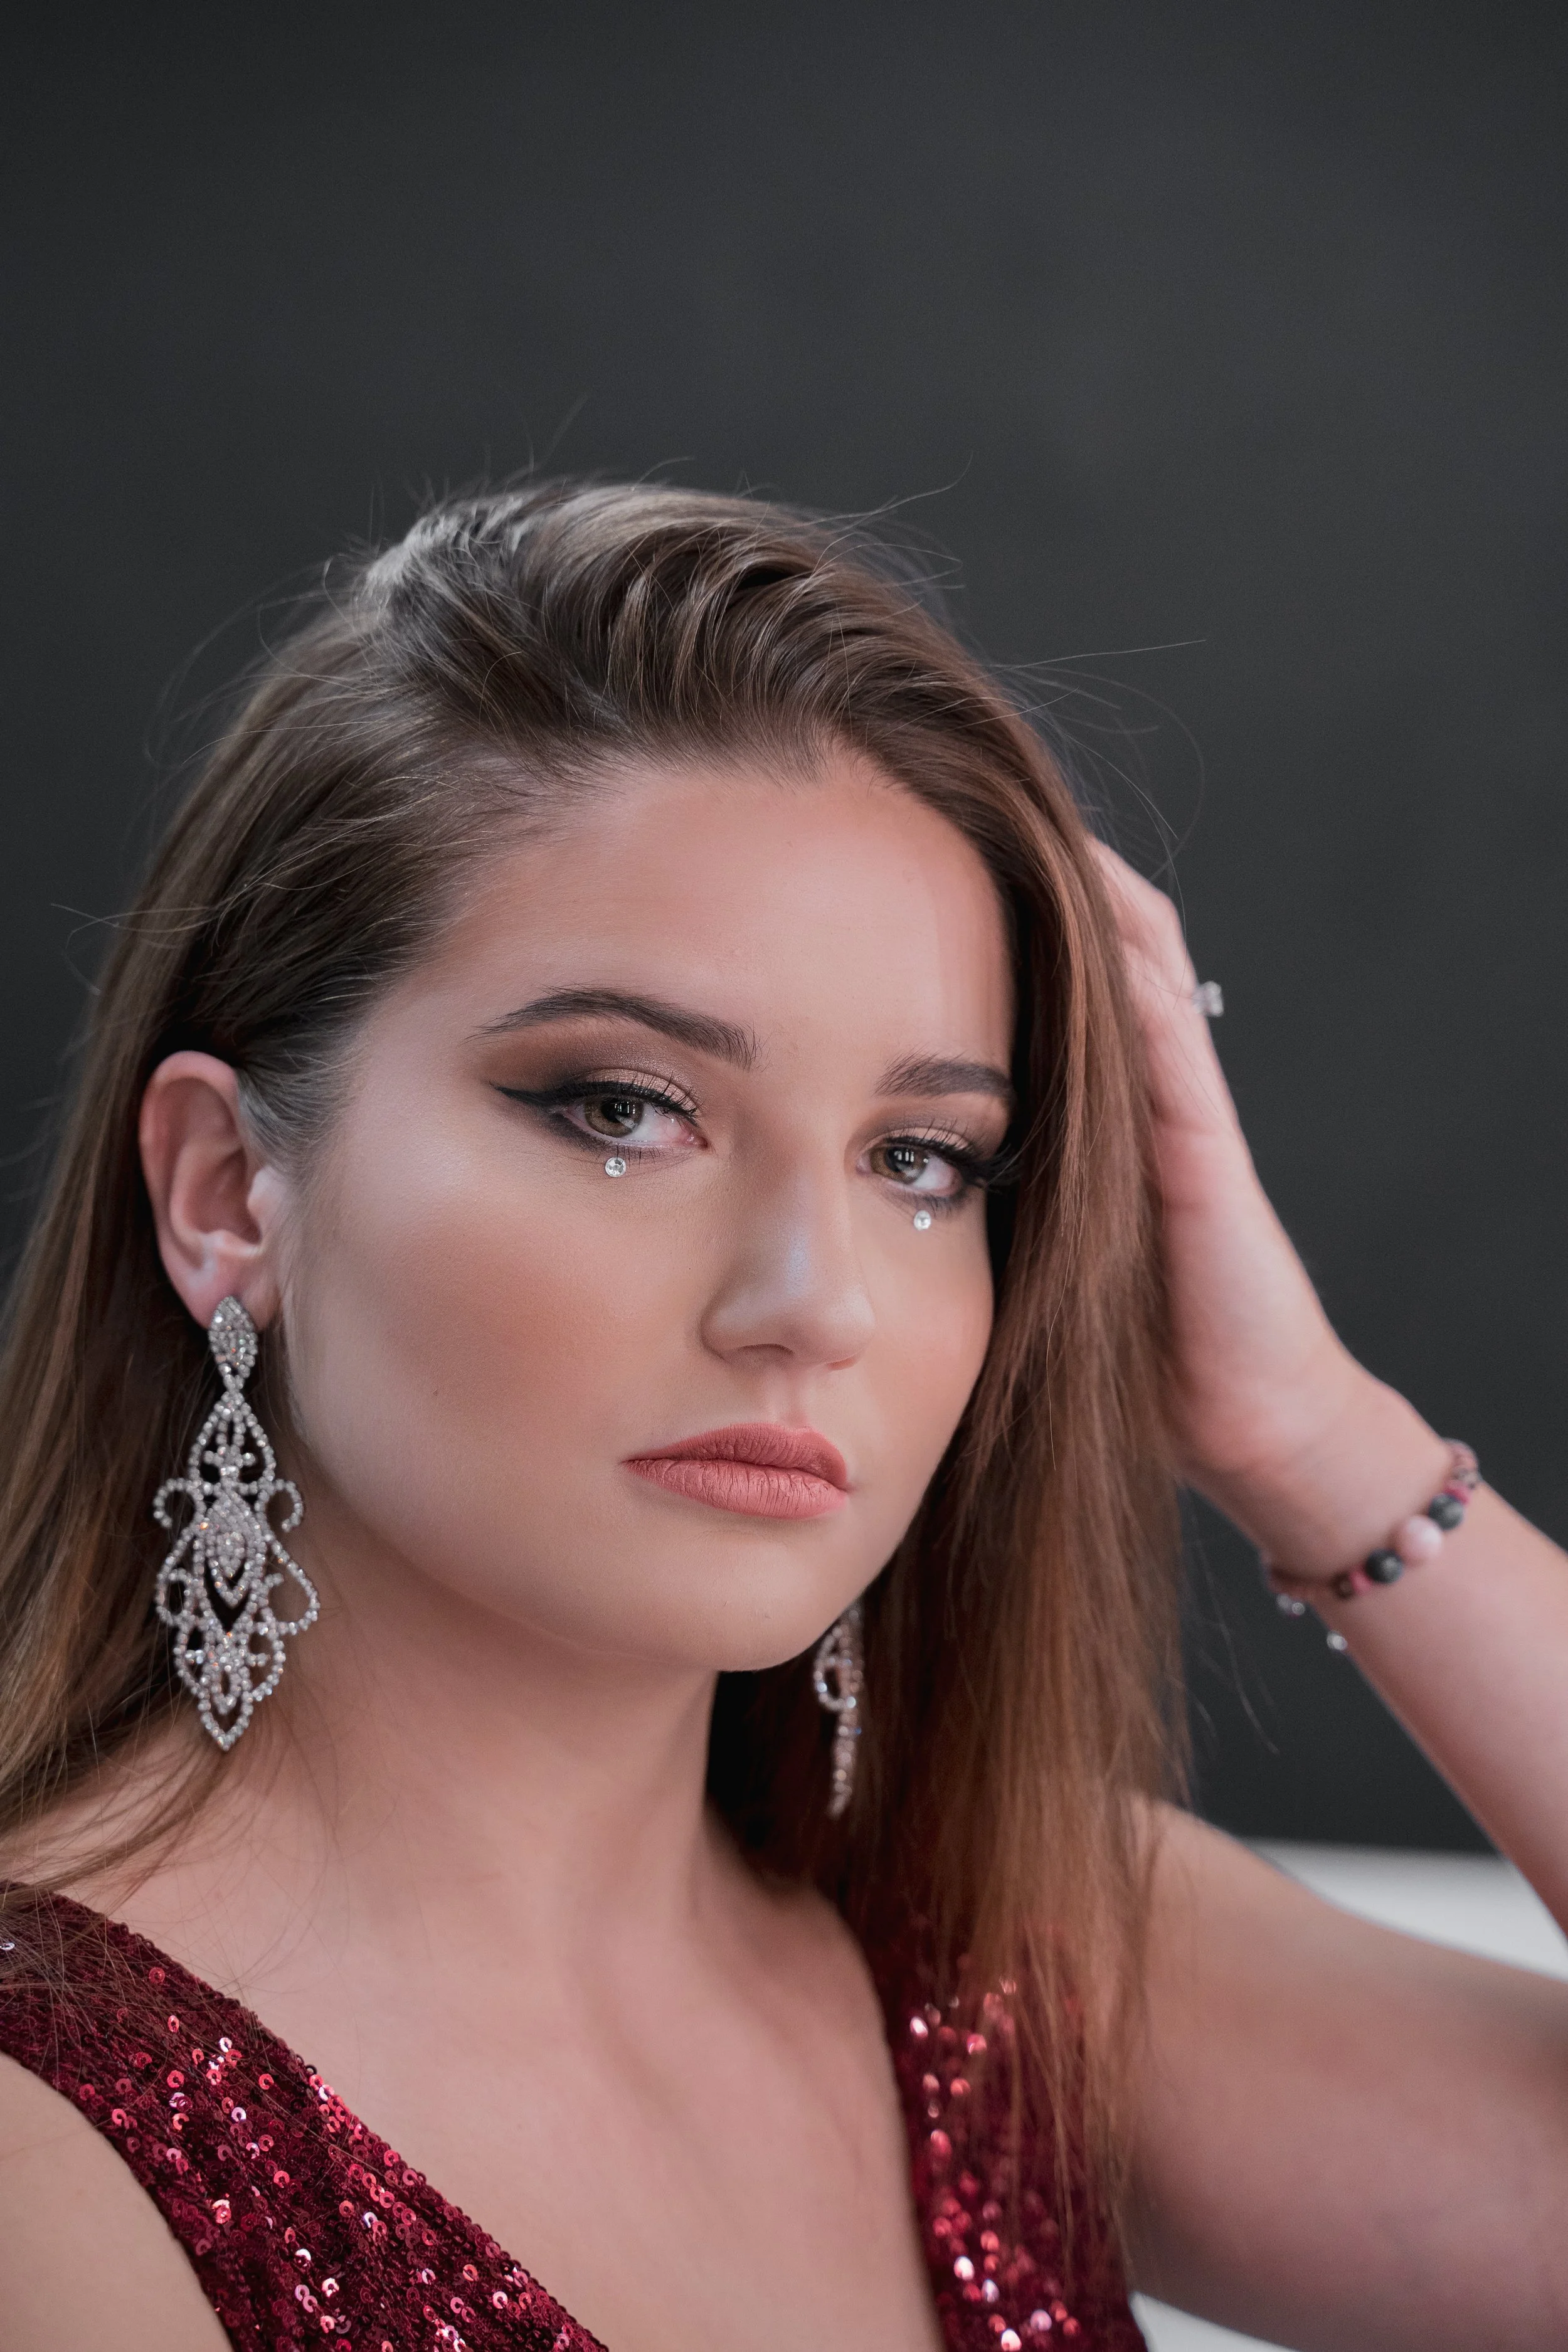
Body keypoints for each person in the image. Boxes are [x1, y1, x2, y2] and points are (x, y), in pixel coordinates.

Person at [0, 482, 1564, 2352]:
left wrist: (1304, 1430)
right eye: (622, 1108)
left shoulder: (1002, 1959)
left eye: (923, 1157)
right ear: (224, 1193)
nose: (814, 1302)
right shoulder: (48, 2142)